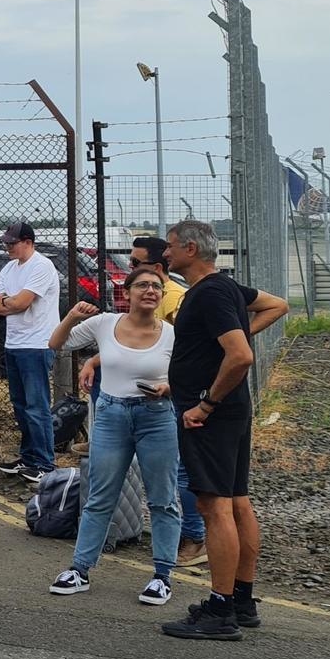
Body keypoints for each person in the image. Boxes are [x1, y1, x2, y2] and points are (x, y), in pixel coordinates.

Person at [160, 220, 288, 641]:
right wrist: (229, 337)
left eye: (171, 247)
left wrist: (205, 403)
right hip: (230, 409)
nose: (166, 253)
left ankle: (220, 609)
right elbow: (277, 305)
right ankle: (241, 599)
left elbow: (240, 356)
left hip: (212, 411)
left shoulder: (211, 292)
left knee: (214, 506)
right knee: (236, 501)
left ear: (191, 249)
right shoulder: (228, 288)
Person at [47, 267, 181, 604]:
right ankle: (79, 569)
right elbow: (56, 342)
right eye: (142, 286)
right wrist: (73, 315)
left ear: (161, 295)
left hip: (156, 417)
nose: (150, 291)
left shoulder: (171, 334)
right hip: (111, 415)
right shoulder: (105, 323)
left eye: (156, 287)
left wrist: (169, 388)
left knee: (163, 499)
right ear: (127, 292)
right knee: (100, 496)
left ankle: (162, 576)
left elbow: (189, 376)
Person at [128, 235, 203, 563]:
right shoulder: (154, 294)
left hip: (173, 395)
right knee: (166, 469)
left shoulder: (174, 299)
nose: (129, 270)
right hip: (149, 394)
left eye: (135, 263)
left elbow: (185, 352)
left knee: (182, 469)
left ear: (157, 268)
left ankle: (194, 537)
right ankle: (176, 531)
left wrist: (171, 385)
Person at [0, 221, 60, 484]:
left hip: (37, 343)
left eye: (12, 243)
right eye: (6, 243)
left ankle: (44, 461)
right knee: (20, 404)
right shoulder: (9, 268)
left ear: (28, 242)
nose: (8, 247)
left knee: (36, 405)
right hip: (15, 342)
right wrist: (12, 303)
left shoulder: (41, 266)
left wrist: (11, 302)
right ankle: (29, 456)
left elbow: (21, 302)